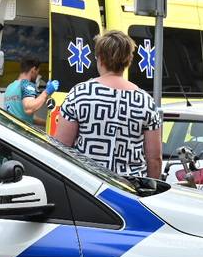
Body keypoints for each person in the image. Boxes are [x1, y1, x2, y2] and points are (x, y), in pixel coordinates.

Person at [54, 32, 162, 178]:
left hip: (88, 186)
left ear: (100, 59)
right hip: (131, 188)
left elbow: (61, 148)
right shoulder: (146, 101)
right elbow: (154, 159)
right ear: (128, 60)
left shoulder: (80, 93)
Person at [3, 59, 57, 125]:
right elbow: (29, 109)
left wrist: (48, 124)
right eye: (38, 72)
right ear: (33, 70)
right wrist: (46, 92)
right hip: (21, 132)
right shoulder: (26, 85)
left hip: (10, 129)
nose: (37, 75)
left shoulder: (10, 87)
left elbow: (25, 117)